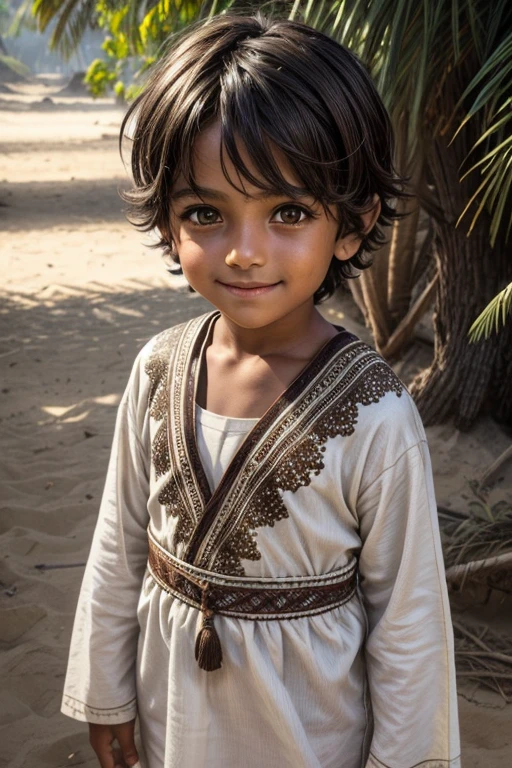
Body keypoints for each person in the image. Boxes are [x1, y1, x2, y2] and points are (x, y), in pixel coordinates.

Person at [61, 12, 461, 768]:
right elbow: (119, 544)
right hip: (171, 723)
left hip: (308, 741)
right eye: (206, 213)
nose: (245, 252)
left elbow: (407, 624)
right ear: (168, 219)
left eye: (289, 213)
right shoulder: (156, 370)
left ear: (352, 224)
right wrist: (105, 690)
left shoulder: (376, 417)